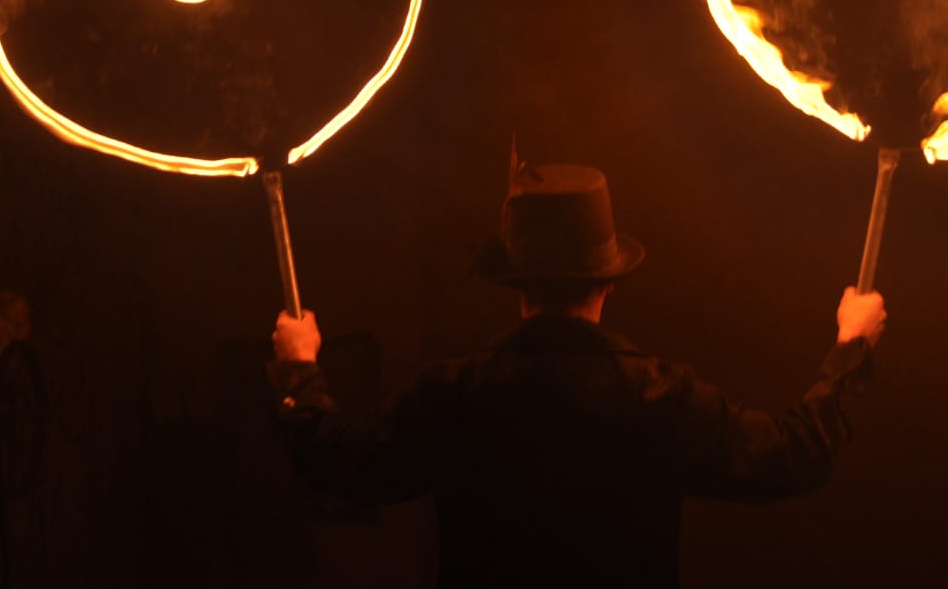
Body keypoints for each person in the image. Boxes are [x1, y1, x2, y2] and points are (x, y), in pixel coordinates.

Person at [269, 160, 886, 587]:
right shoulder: (660, 397)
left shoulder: (455, 395)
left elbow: (337, 460)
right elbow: (792, 456)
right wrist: (850, 346)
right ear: (611, 279)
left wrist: (299, 366)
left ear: (514, 282)